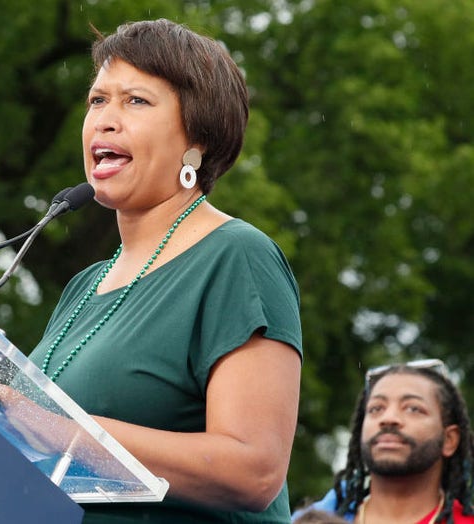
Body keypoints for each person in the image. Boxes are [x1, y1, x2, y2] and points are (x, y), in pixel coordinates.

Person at [26, 18, 303, 522]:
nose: (106, 120)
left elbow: (254, 472)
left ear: (196, 138)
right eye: (97, 101)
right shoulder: (84, 287)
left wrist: (54, 427)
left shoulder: (237, 257)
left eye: (136, 101)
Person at [294, 360, 474, 523]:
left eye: (413, 408)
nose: (388, 418)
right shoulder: (316, 519)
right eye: (376, 408)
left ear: (449, 440)